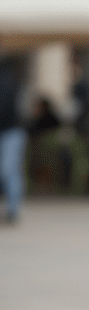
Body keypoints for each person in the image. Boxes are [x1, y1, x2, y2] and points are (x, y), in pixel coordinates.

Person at [0, 56, 27, 224]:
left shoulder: (5, 79)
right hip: (9, 130)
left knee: (8, 170)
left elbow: (4, 105)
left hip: (11, 131)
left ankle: (13, 210)